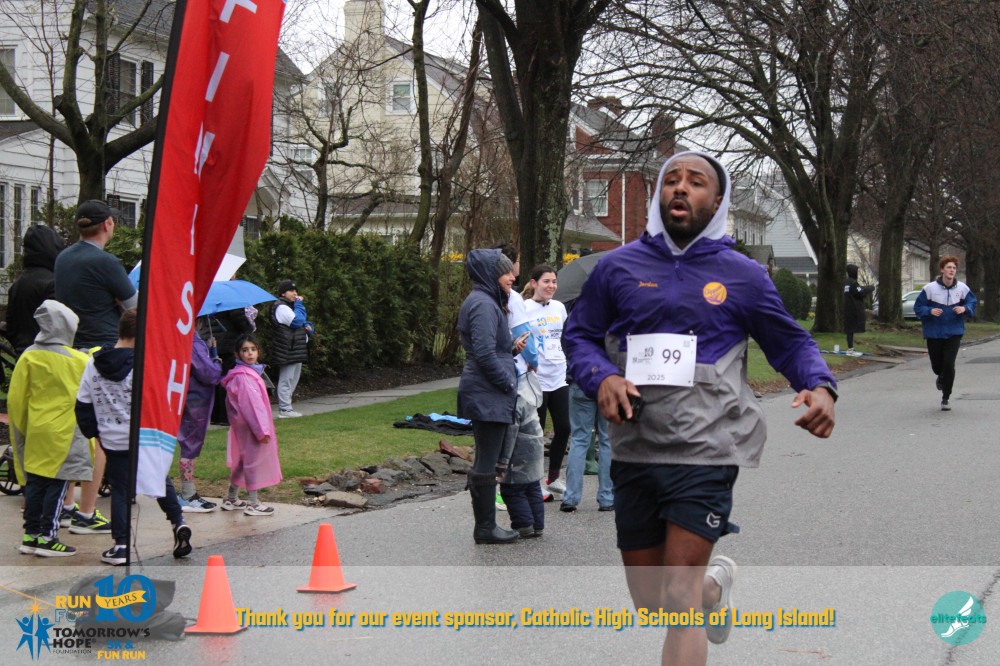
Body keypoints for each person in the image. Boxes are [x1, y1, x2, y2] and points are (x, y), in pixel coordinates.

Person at [563, 151, 837, 665]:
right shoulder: (617, 267)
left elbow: (791, 342)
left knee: (677, 597)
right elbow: (579, 336)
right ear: (658, 196)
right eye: (671, 180)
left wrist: (819, 385)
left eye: (695, 181)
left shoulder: (742, 275)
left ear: (717, 200)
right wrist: (603, 377)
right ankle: (715, 587)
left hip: (707, 450)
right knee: (651, 602)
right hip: (636, 447)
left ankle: (696, 592)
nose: (680, 188)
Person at [75, 309, 192, 566]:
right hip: (144, 435)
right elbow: (156, 401)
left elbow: (83, 403)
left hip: (112, 438)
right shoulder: (144, 365)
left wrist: (94, 433)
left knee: (120, 489)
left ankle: (121, 545)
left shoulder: (93, 364)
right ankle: (178, 522)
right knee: (158, 477)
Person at [55, 200, 137, 536]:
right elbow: (134, 307)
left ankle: (65, 506)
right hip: (102, 352)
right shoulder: (106, 262)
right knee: (103, 434)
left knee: (74, 431)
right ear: (108, 225)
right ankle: (87, 512)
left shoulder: (63, 258)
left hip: (69, 348)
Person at [8, 300, 92, 557]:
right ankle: (48, 537)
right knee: (58, 485)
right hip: (64, 434)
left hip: (36, 430)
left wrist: (23, 428)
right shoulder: (78, 360)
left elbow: (16, 400)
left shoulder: (29, 356)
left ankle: (30, 535)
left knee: (35, 483)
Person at [457, 248, 519, 544]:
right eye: (505, 272)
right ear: (490, 274)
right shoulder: (483, 303)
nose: (512, 277)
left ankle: (486, 526)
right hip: (488, 391)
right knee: (486, 460)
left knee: (486, 457)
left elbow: (490, 348)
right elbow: (483, 353)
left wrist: (510, 351)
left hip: (487, 390)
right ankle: (485, 527)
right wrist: (507, 382)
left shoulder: (486, 300)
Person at [494, 244, 546, 537]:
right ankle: (536, 523)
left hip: (514, 385)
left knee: (513, 464)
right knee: (530, 460)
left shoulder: (510, 298)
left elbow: (523, 337)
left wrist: (532, 360)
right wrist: (534, 363)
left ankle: (524, 524)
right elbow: (528, 341)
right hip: (524, 382)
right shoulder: (509, 298)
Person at [219, 334, 283, 515]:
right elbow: (252, 406)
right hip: (251, 426)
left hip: (243, 425)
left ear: (258, 351)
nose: (250, 353)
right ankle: (253, 503)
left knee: (243, 460)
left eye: (253, 349)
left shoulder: (243, 374)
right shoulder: (245, 377)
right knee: (253, 462)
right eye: (245, 350)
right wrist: (261, 430)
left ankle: (231, 497)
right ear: (237, 354)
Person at [523, 265, 571, 498]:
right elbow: (520, 339)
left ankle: (553, 478)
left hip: (559, 376)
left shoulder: (559, 307)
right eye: (546, 281)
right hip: (537, 378)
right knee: (538, 431)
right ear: (534, 283)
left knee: (564, 427)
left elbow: (564, 337)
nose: (551, 286)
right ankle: (535, 480)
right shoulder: (524, 308)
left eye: (554, 281)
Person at [914, 256, 976, 412]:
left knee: (949, 364)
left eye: (954, 268)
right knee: (937, 366)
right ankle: (940, 375)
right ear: (942, 270)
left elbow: (972, 302)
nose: (952, 270)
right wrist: (929, 311)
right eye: (949, 267)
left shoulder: (962, 288)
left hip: (954, 332)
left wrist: (964, 308)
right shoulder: (930, 288)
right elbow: (918, 307)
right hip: (934, 333)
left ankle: (946, 397)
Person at [176, 324, 223, 512]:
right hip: (195, 400)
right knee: (190, 444)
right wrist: (216, 361)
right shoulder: (192, 342)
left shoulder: (182, 338)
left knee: (188, 443)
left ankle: (188, 492)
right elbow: (208, 373)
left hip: (185, 395)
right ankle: (188, 493)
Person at [5, 225, 65, 355]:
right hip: (47, 356)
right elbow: (59, 326)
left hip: (23, 354)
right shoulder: (52, 283)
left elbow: (11, 325)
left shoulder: (17, 284)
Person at [271, 279, 313, 418]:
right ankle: (285, 409)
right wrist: (299, 304)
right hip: (288, 348)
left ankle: (287, 406)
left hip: (295, 348)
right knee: (287, 379)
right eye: (291, 291)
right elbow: (296, 321)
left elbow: (302, 322)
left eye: (296, 291)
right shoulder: (281, 306)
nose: (295, 293)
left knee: (293, 379)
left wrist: (308, 328)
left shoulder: (290, 306)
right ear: (283, 293)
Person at [843, 264, 874, 355]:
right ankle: (850, 350)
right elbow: (860, 292)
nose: (858, 273)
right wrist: (870, 288)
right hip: (854, 309)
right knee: (851, 329)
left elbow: (858, 289)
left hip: (847, 309)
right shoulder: (853, 283)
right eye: (857, 271)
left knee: (849, 330)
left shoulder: (846, 283)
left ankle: (850, 348)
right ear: (853, 272)